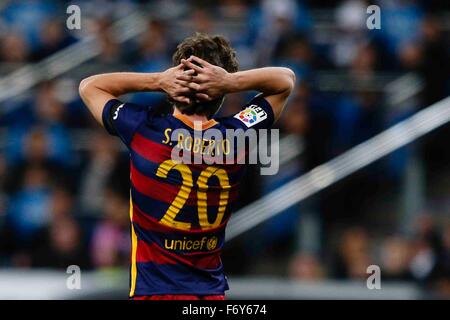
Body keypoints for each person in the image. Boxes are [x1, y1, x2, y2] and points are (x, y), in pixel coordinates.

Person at [79, 33, 295, 300]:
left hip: (154, 292)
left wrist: (158, 80)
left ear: (174, 83)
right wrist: (229, 82)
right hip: (209, 296)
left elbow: (89, 86)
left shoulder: (143, 129)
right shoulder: (239, 133)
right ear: (219, 95)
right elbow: (286, 81)